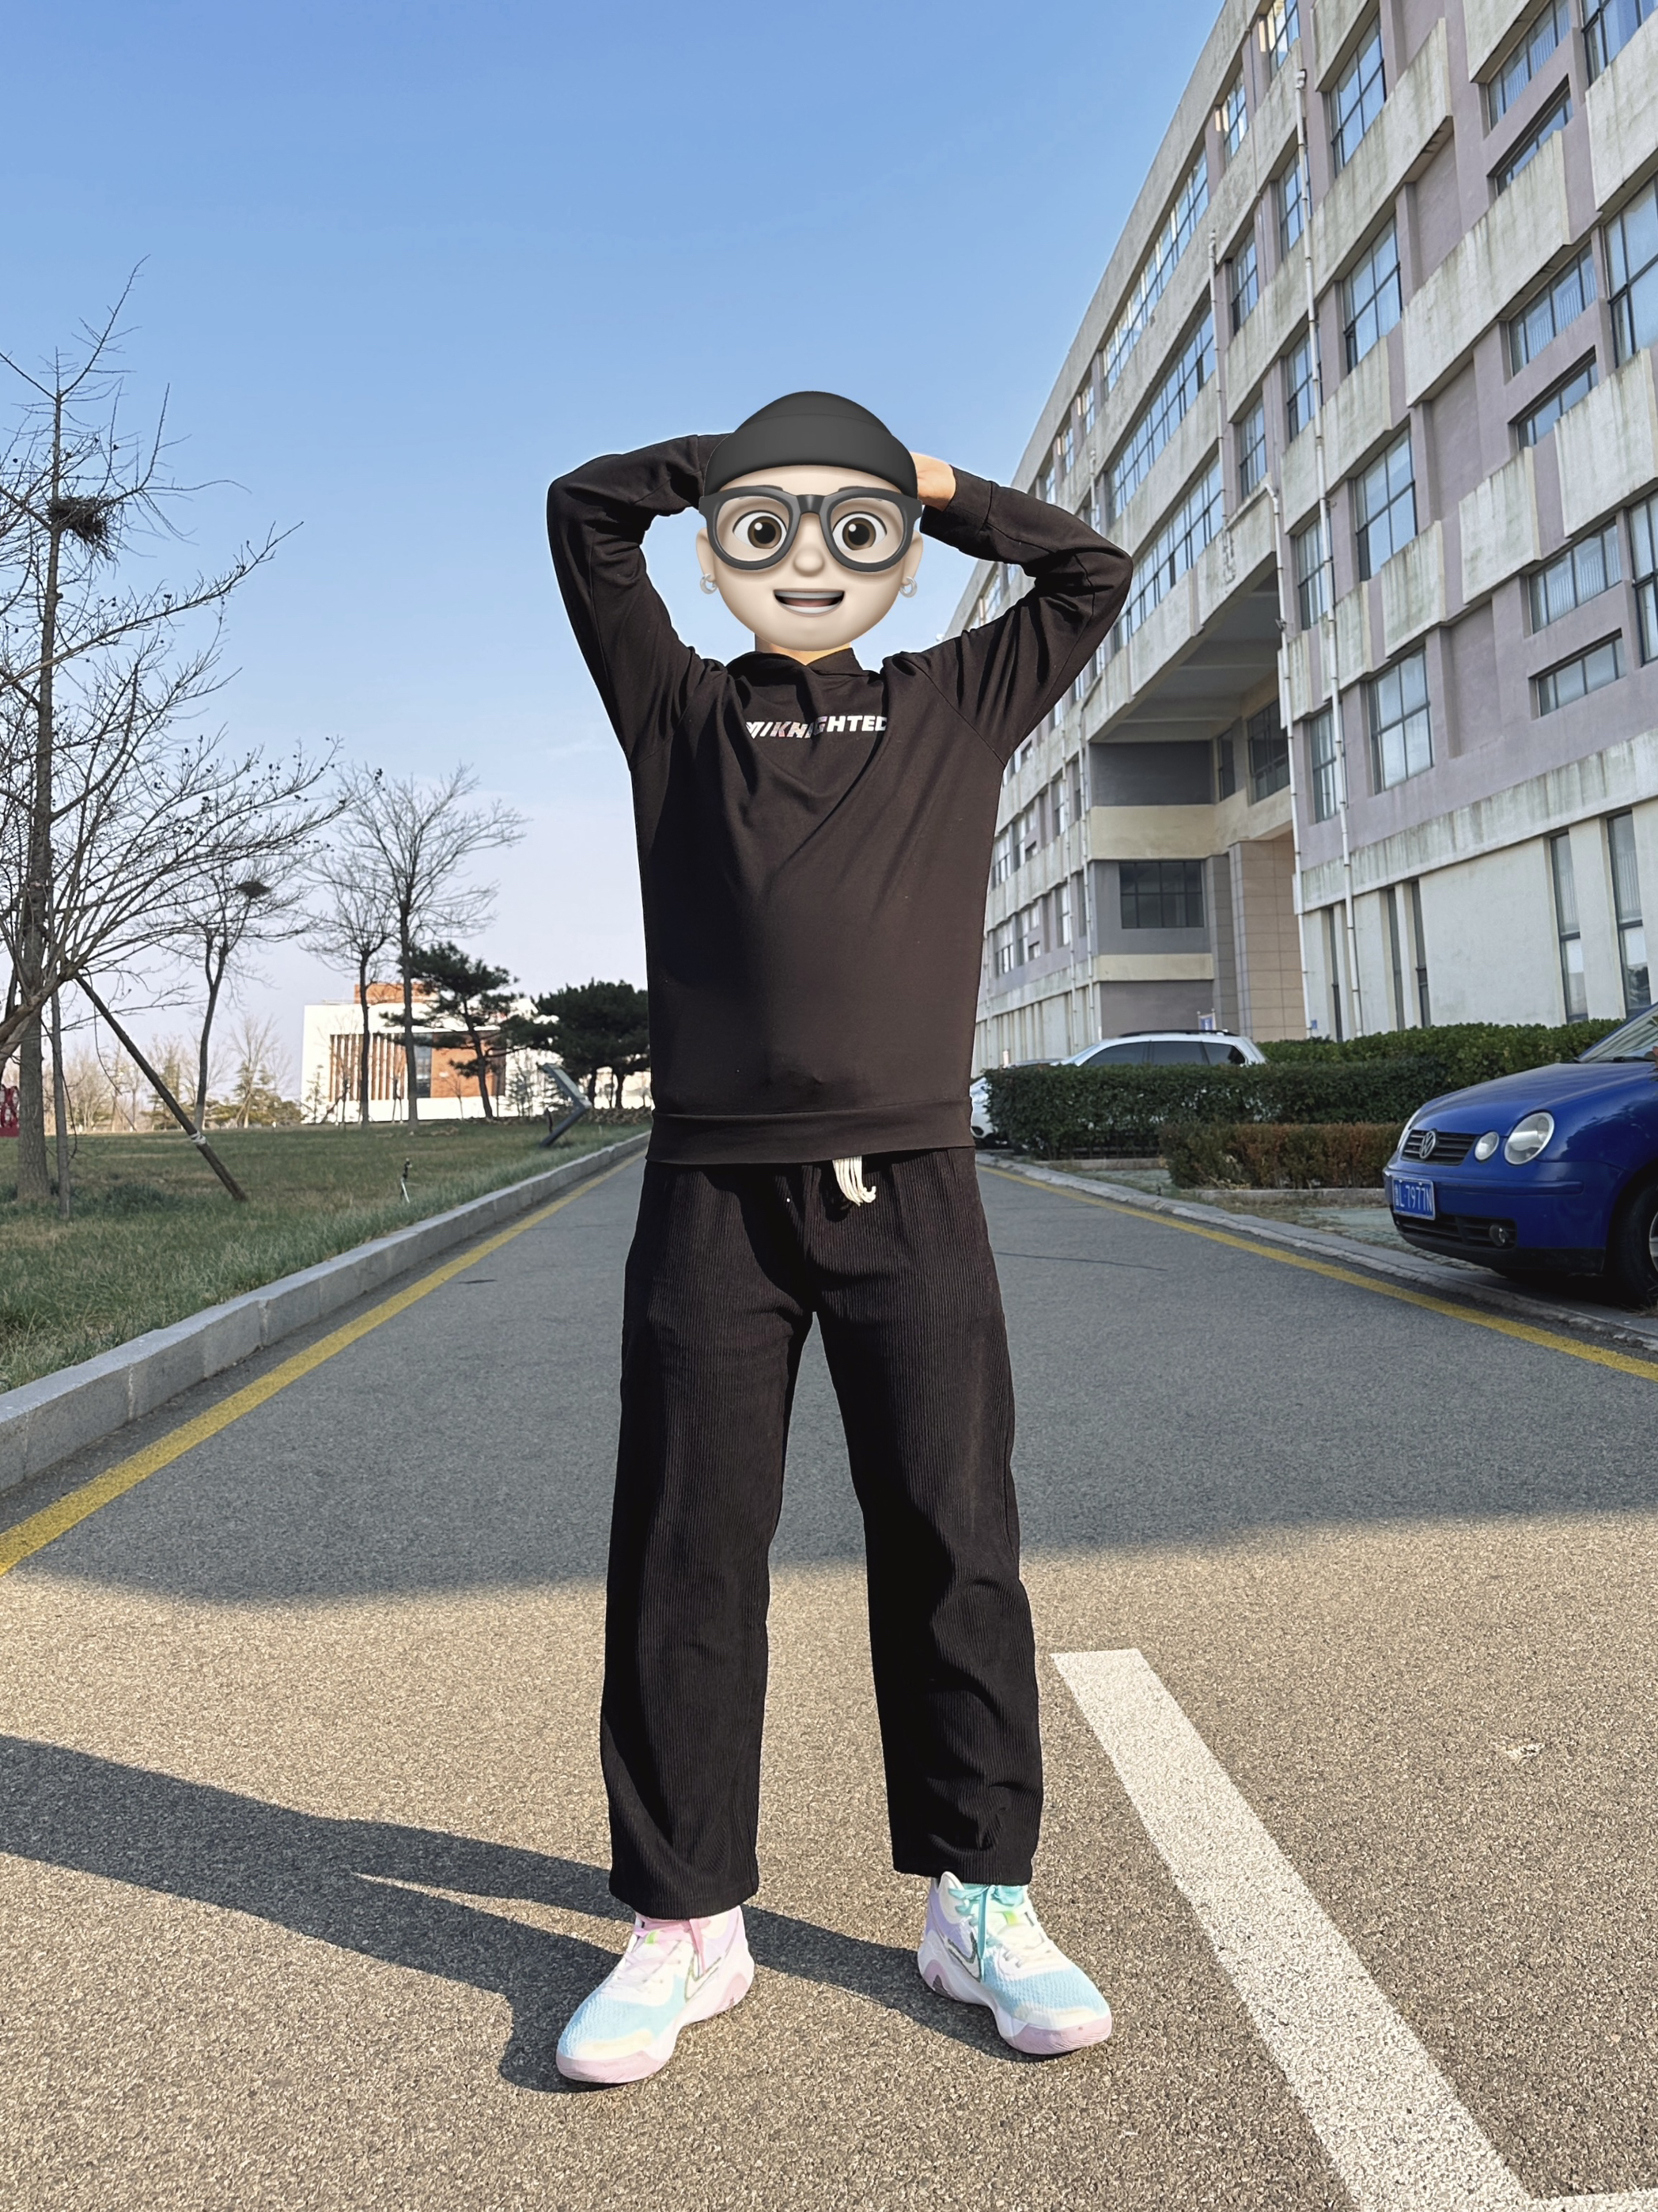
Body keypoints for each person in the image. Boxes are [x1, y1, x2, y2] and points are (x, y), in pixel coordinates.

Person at [546, 392, 1131, 2085]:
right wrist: (727, 467)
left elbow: (1089, 571)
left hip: (915, 1186)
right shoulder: (676, 708)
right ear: (722, 556)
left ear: (898, 559)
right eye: (770, 529)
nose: (809, 558)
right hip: (711, 1195)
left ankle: (979, 1898)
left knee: (954, 1537)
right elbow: (584, 508)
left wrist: (928, 484)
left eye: (848, 530)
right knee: (686, 1552)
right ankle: (685, 1920)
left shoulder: (956, 698)